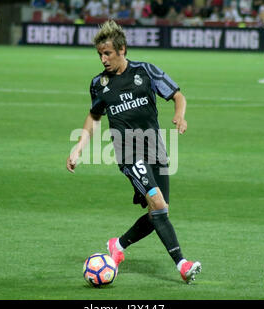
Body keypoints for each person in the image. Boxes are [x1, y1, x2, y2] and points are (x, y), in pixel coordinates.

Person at [66, 20, 201, 284]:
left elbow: (178, 95)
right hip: (128, 153)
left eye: (108, 54)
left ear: (122, 50)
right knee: (158, 205)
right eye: (100, 54)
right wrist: (78, 148)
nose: (103, 59)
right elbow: (94, 116)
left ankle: (118, 245)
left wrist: (180, 116)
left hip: (156, 149)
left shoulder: (145, 71)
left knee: (158, 214)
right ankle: (182, 264)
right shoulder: (99, 84)